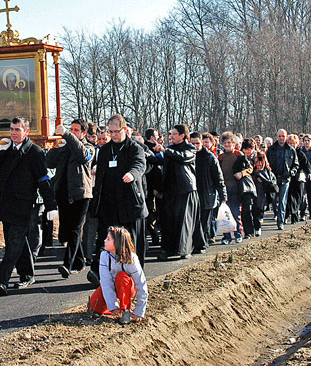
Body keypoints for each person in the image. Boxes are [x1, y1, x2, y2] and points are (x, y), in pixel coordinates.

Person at [0, 117, 57, 295]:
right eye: (12, 129)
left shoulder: (35, 152)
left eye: (17, 129)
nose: (14, 133)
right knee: (18, 241)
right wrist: (0, 152)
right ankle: (28, 274)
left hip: (23, 205)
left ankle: (2, 281)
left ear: (26, 132)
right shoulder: (5, 149)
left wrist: (51, 205)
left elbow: (44, 181)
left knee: (13, 245)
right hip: (5, 204)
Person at [88, 114, 147, 287]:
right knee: (107, 241)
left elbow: (139, 165)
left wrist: (132, 174)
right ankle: (102, 275)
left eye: (116, 131)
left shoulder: (135, 148)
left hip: (130, 204)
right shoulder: (105, 150)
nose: (113, 135)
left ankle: (134, 279)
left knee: (130, 244)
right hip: (108, 204)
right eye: (110, 131)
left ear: (124, 129)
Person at [47, 119, 94, 278]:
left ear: (83, 133)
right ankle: (79, 261)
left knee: (75, 229)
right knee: (69, 230)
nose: (73, 132)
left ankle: (67, 265)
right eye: (71, 129)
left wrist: (67, 135)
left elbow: (82, 155)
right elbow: (50, 163)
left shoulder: (89, 147)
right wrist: (55, 144)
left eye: (76, 130)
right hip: (63, 194)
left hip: (81, 195)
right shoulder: (65, 146)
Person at [154, 124, 202, 260]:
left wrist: (165, 151)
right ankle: (167, 249)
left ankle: (184, 250)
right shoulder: (169, 149)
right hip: (170, 190)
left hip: (185, 190)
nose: (171, 136)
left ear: (182, 136)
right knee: (168, 221)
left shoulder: (190, 148)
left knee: (184, 221)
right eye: (171, 134)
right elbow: (157, 159)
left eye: (174, 134)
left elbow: (182, 157)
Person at [89, 226, 148, 324]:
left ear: (117, 243)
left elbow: (141, 284)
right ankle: (114, 309)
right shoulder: (104, 255)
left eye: (108, 239)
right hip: (113, 285)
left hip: (127, 287)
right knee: (93, 307)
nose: (104, 241)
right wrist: (113, 305)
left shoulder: (131, 258)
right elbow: (105, 282)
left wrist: (140, 311)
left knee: (122, 276)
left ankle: (126, 311)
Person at [190, 132, 227, 245]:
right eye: (192, 144)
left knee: (205, 222)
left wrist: (223, 195)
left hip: (207, 193)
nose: (195, 146)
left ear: (201, 143)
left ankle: (202, 243)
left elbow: (219, 177)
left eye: (197, 143)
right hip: (193, 193)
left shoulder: (210, 157)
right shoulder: (188, 156)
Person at [266, 129, 299, 230]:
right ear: (277, 137)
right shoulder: (271, 149)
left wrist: (291, 173)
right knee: (274, 200)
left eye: (283, 136)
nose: (281, 138)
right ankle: (277, 215)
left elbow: (295, 164)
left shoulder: (290, 150)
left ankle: (281, 221)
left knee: (282, 201)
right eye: (279, 136)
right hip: (274, 179)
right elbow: (266, 164)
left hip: (285, 179)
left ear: (286, 137)